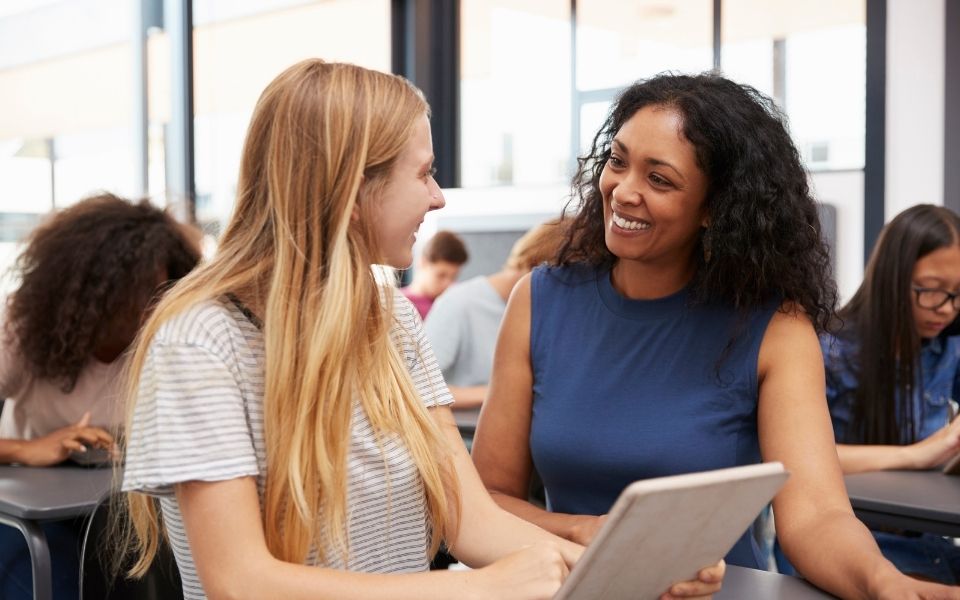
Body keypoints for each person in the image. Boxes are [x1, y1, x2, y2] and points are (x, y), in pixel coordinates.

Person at [118, 60, 723, 600]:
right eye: (424, 174)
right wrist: (477, 591)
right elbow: (240, 582)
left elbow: (469, 519)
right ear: (353, 189)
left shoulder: (392, 319)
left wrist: (637, 569)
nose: (437, 198)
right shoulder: (200, 342)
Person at [471, 72, 960, 599]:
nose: (623, 190)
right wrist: (581, 532)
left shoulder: (775, 327)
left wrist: (883, 582)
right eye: (617, 160)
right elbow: (486, 498)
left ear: (714, 209)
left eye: (660, 179)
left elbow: (815, 516)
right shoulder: (539, 300)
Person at [0, 193, 201, 599]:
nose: (153, 307)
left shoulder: (177, 337)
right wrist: (26, 449)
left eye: (164, 289)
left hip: (130, 509)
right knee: (52, 579)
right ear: (92, 291)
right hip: (36, 511)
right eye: (138, 292)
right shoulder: (23, 327)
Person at [820, 204, 960, 583]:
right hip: (850, 545)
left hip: (931, 544)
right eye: (931, 291)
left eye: (958, 293)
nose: (947, 309)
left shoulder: (946, 349)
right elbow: (798, 460)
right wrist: (918, 455)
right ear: (893, 279)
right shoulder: (830, 351)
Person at [424, 218, 566, 409]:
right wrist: (498, 391)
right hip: (464, 432)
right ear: (535, 267)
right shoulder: (459, 303)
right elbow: (416, 388)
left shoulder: (545, 312)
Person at [401, 230, 468, 318]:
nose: (448, 284)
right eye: (441, 275)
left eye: (454, 277)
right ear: (423, 262)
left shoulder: (457, 298)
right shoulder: (400, 303)